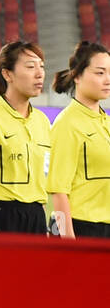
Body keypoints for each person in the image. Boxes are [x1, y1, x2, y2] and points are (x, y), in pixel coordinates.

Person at [0, 40, 50, 235]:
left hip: (36, 217)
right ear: (7, 74)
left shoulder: (42, 121)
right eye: (30, 67)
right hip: (2, 215)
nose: (39, 74)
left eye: (42, 67)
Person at [49, 41, 110, 239]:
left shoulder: (106, 122)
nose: (107, 79)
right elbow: (58, 191)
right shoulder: (67, 123)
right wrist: (69, 243)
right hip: (83, 228)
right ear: (77, 75)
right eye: (100, 73)